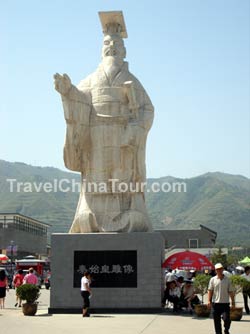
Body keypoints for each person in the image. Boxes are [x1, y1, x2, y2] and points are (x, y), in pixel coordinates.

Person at [54, 11, 154, 233]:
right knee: (95, 182)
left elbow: (148, 109)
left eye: (116, 44)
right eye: (107, 43)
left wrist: (136, 127)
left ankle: (126, 217)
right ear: (101, 49)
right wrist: (68, 91)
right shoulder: (90, 79)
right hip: (96, 139)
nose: (112, 47)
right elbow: (80, 100)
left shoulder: (132, 81)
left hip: (122, 139)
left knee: (122, 182)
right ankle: (91, 219)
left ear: (124, 50)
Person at [208, 263, 235, 334]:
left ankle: (226, 329)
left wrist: (233, 302)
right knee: (216, 322)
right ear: (215, 271)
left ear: (222, 269)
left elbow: (231, 291)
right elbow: (210, 290)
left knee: (227, 319)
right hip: (215, 304)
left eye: (220, 269)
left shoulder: (228, 280)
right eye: (217, 269)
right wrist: (209, 301)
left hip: (225, 304)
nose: (219, 270)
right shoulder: (212, 279)